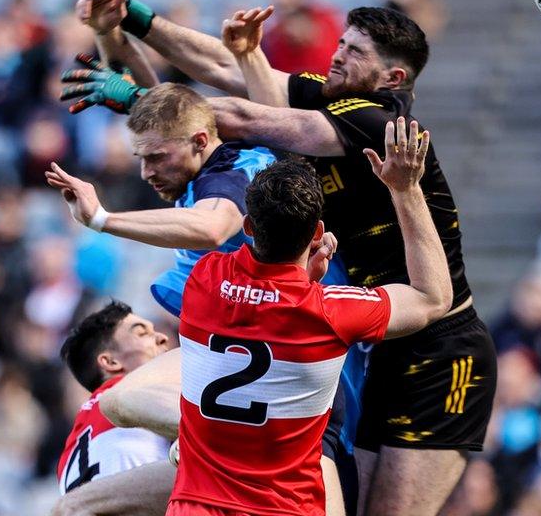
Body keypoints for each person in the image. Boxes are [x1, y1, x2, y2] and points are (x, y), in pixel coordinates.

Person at [73, 0, 497, 515]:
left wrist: (136, 101)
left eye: (354, 52)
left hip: (440, 346)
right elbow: (227, 67)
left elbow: (246, 117)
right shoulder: (331, 99)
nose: (337, 56)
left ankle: (208, 440)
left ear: (391, 77)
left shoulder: (377, 120)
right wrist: (134, 17)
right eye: (341, 42)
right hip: (374, 329)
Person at [119, 120, 450, 515]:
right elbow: (432, 298)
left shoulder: (203, 282)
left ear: (246, 226)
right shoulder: (332, 311)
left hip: (197, 505)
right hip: (284, 507)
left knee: (119, 401)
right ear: (317, 233)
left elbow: (253, 297)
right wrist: (406, 189)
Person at [47, 80, 277, 317]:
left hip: (266, 322)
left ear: (200, 141)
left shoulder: (232, 175)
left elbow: (212, 228)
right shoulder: (200, 159)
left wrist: (101, 219)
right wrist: (113, 43)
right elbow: (169, 100)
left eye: (156, 158)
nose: (145, 172)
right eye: (142, 158)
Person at [56, 301, 172, 498]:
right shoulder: (139, 393)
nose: (162, 338)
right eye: (142, 333)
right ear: (110, 362)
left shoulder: (69, 452)